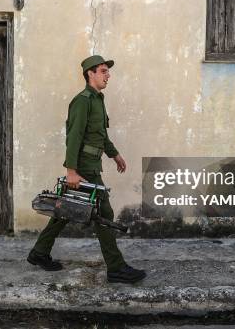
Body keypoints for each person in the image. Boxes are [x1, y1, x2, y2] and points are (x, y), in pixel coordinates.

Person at [27, 55, 147, 283]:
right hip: (84, 169)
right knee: (103, 215)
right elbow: (74, 137)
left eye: (107, 71)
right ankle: (116, 268)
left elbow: (100, 135)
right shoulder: (82, 101)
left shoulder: (97, 100)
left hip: (90, 166)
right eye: (103, 71)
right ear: (90, 73)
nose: (107, 75)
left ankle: (39, 253)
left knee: (64, 211)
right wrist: (71, 170)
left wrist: (115, 154)